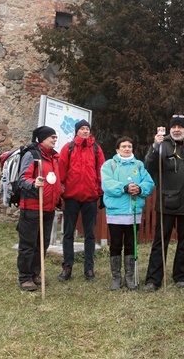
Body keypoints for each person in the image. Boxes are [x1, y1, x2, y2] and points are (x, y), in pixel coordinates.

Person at [144, 115, 184, 291]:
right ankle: (153, 279)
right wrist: (155, 147)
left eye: (180, 127)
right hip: (167, 201)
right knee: (160, 242)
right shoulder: (162, 144)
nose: (177, 129)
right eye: (174, 126)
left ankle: (181, 277)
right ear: (169, 129)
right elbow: (149, 165)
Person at [101, 136, 155, 290]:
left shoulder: (138, 165)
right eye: (123, 146)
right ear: (117, 149)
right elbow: (107, 183)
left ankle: (130, 276)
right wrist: (124, 188)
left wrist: (140, 188)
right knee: (116, 244)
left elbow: (149, 182)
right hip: (116, 212)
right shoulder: (109, 165)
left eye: (129, 146)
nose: (126, 149)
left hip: (133, 211)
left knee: (131, 244)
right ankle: (116, 277)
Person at [58, 119, 105, 281]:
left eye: (87, 129)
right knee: (68, 233)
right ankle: (67, 267)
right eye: (82, 129)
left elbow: (101, 172)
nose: (85, 131)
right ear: (77, 131)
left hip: (90, 197)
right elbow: (61, 171)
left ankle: (89, 268)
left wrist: (99, 192)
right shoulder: (68, 148)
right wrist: (60, 192)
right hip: (71, 197)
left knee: (90, 234)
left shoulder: (97, 149)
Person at [17, 126, 62, 291]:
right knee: (28, 244)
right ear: (42, 138)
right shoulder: (32, 155)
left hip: (49, 208)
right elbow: (22, 179)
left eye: (56, 137)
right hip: (32, 207)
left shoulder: (54, 157)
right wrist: (34, 183)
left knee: (42, 243)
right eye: (52, 137)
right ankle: (25, 277)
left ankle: (36, 273)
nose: (55, 140)